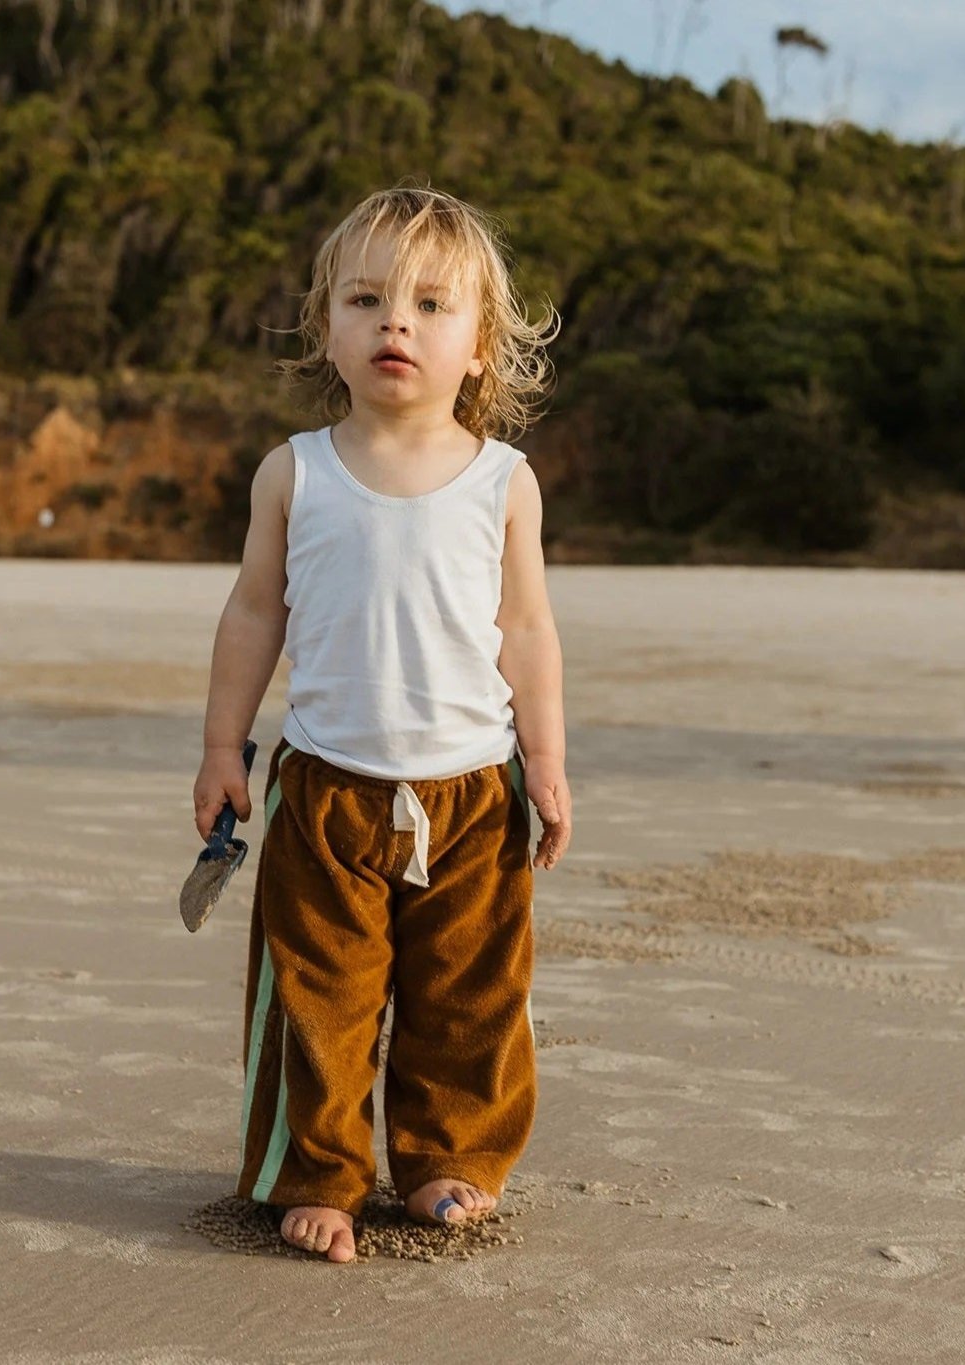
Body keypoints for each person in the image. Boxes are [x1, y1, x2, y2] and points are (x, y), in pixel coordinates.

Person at [192, 184, 572, 1264]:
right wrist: (226, 748)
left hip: (472, 794)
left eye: (429, 305)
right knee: (319, 996)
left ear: (482, 349)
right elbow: (253, 613)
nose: (394, 322)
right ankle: (317, 1170)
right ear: (328, 330)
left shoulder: (505, 483)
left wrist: (545, 760)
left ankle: (450, 1157)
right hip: (325, 791)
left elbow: (528, 631)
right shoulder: (295, 473)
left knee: (471, 996)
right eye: (365, 298)